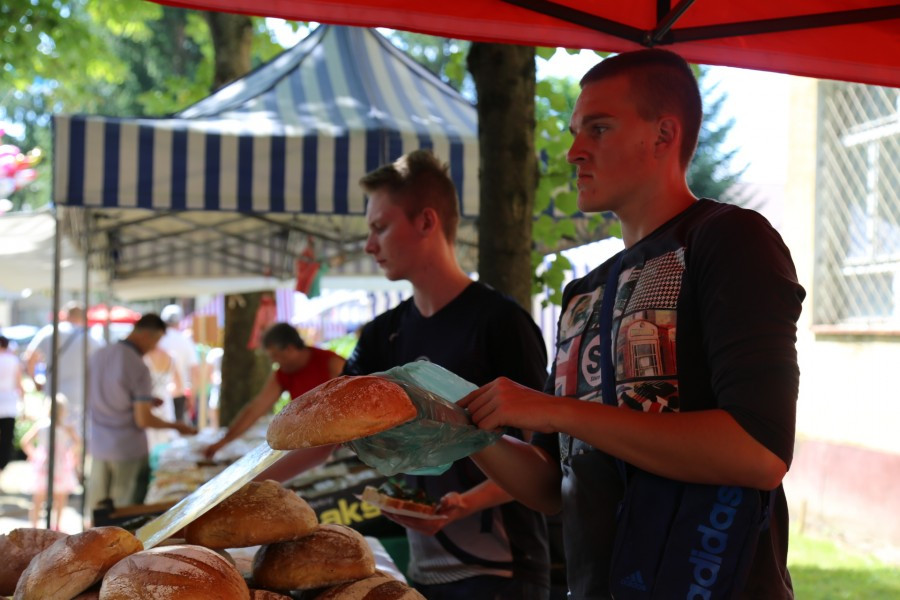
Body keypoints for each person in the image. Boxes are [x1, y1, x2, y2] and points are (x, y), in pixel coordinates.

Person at [457, 49, 805, 599]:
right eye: (575, 131)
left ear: (664, 135)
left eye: (598, 128)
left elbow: (758, 452)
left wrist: (553, 408)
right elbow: (554, 483)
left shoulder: (729, 238)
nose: (573, 152)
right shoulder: (583, 294)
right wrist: (459, 434)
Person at [343, 149, 551, 600]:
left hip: (500, 571)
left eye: (380, 227)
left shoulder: (501, 322)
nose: (368, 244)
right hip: (426, 567)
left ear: (426, 222)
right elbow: (331, 419)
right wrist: (246, 479)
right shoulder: (385, 332)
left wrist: (465, 504)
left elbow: (545, 457)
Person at [87, 313, 197, 511]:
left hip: (99, 445)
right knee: (125, 515)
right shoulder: (137, 365)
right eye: (155, 340)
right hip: (127, 449)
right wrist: (176, 426)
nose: (154, 347)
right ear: (146, 334)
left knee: (98, 512)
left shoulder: (100, 354)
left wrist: (140, 401)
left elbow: (107, 394)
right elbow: (143, 419)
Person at [203, 323, 344, 469]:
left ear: (290, 348)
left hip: (344, 445)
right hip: (314, 445)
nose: (274, 361)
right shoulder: (283, 373)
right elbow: (256, 408)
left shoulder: (331, 363)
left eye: (275, 356)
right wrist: (224, 441)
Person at [25, 302, 103, 430]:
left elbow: (30, 357)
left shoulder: (49, 332)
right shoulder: (91, 337)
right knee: (77, 434)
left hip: (53, 392)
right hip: (80, 394)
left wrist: (36, 381)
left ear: (66, 315)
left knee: (52, 432)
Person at [20, 394, 80, 531]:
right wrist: (71, 453)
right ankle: (56, 525)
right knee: (60, 498)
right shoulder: (66, 427)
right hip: (60, 462)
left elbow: (25, 442)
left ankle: (34, 526)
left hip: (44, 462)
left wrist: (34, 454)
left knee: (38, 498)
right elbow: (78, 443)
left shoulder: (41, 425)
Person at [157, 304, 199, 424]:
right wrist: (192, 395)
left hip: (160, 394)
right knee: (178, 430)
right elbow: (194, 370)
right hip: (179, 392)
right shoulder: (185, 341)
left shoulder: (159, 340)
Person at [144, 346, 184, 450]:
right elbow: (179, 387)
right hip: (166, 401)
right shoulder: (171, 357)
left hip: (148, 401)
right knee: (166, 438)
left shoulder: (144, 356)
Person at [0, 335, 24, 477]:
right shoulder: (13, 360)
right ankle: (1, 470)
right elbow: (19, 384)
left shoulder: (12, 360)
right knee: (6, 440)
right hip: (9, 405)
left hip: (8, 403)